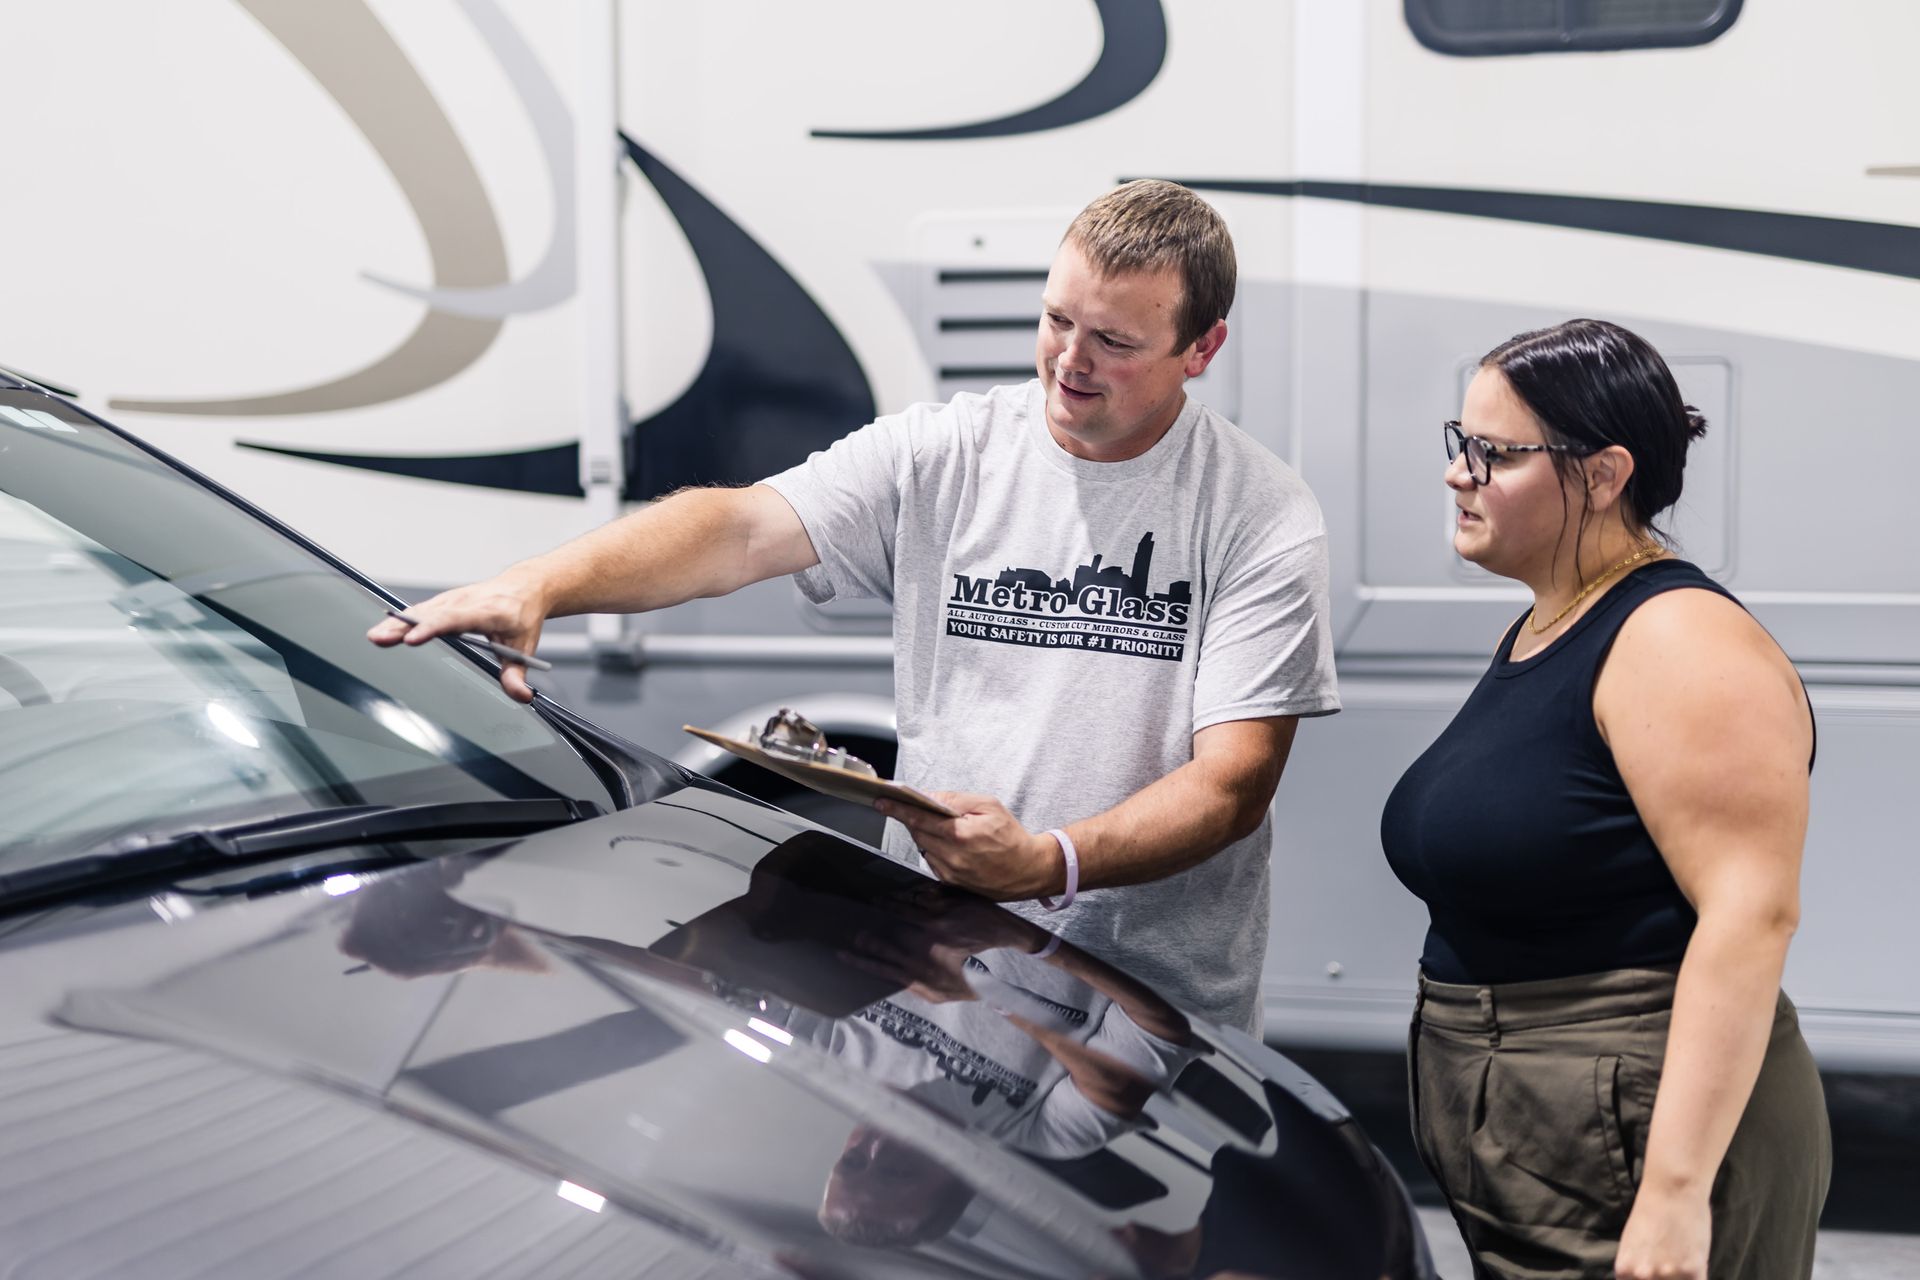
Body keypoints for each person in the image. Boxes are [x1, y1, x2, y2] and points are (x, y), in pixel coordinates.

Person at [369, 179, 1340, 1033]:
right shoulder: (950, 451)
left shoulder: (1256, 511)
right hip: (936, 968)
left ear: (1201, 347)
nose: (1068, 361)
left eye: (1115, 340)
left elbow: (1232, 784)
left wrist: (1050, 861)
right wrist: (542, 582)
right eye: (1055, 319)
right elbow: (741, 526)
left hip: (1146, 1010)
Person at [1380, 319, 1830, 1279]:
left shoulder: (1680, 640)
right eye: (1461, 445)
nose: (1460, 474)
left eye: (1494, 454)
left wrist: (1672, 1197)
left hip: (1633, 1126)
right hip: (1556, 1126)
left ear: (1603, 473)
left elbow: (1751, 915)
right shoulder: (1554, 621)